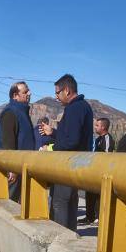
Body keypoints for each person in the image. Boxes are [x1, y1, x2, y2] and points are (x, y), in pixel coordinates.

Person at [39, 74, 93, 232]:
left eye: (57, 92)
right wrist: (54, 133)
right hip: (75, 165)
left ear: (67, 90)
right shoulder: (82, 106)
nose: (55, 96)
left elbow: (72, 141)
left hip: (67, 165)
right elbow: (71, 137)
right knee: (70, 203)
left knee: (60, 203)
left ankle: (60, 240)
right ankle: (69, 235)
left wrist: (49, 149)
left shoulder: (74, 108)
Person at [0, 81, 36, 202]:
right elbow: (7, 141)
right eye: (25, 91)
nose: (29, 93)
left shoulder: (22, 112)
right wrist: (11, 168)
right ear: (15, 95)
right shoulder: (10, 112)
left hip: (22, 168)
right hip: (14, 171)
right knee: (8, 205)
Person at [82, 117, 115, 224]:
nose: (95, 127)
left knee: (99, 196)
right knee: (89, 194)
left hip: (102, 173)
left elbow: (107, 156)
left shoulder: (108, 139)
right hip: (93, 171)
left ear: (103, 127)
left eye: (97, 125)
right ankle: (89, 216)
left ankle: (99, 217)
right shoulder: (97, 139)